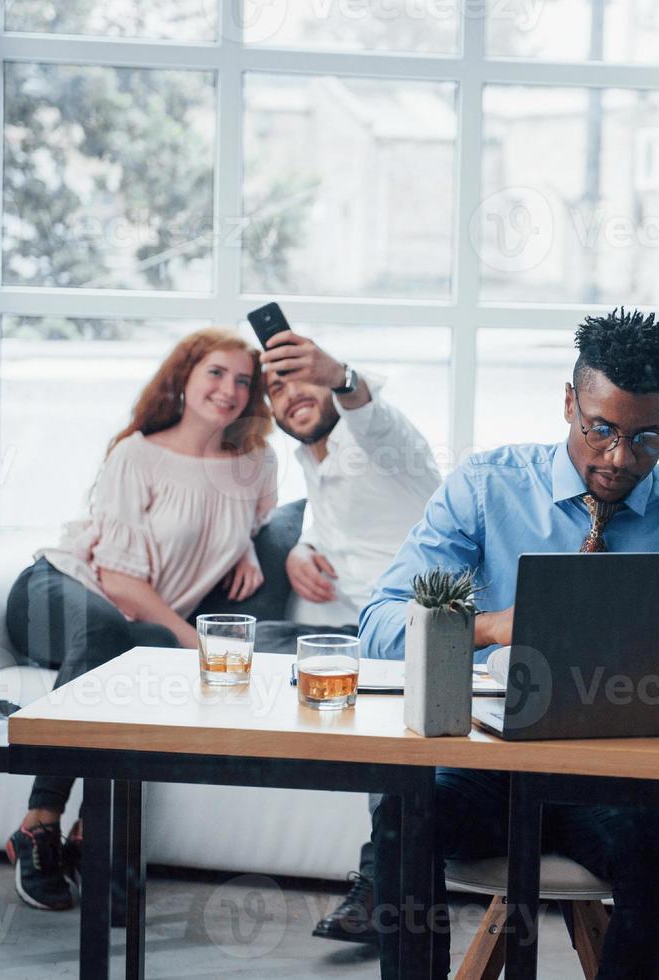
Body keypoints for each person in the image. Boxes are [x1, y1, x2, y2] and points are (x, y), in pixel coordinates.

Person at [359, 308, 659, 979]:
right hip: (485, 767)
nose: (620, 458)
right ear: (569, 401)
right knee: (404, 812)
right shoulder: (485, 489)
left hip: (621, 780)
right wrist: (492, 625)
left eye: (647, 438)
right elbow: (381, 626)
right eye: (601, 430)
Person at [3, 328, 278, 911]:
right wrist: (192, 640)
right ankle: (39, 821)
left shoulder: (255, 464)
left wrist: (246, 549)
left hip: (136, 625)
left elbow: (240, 526)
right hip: (59, 591)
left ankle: (92, 834)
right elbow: (120, 581)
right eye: (215, 373)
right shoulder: (138, 454)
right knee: (122, 634)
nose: (229, 390)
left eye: (242, 381)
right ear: (183, 376)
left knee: (141, 646)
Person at [255, 327, 443, 943]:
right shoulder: (314, 465)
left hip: (421, 636)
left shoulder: (383, 443)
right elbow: (324, 523)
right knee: (229, 647)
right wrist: (298, 550)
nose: (289, 395)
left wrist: (340, 376)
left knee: (363, 684)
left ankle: (377, 885)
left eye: (299, 375)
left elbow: (374, 417)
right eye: (274, 389)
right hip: (355, 635)